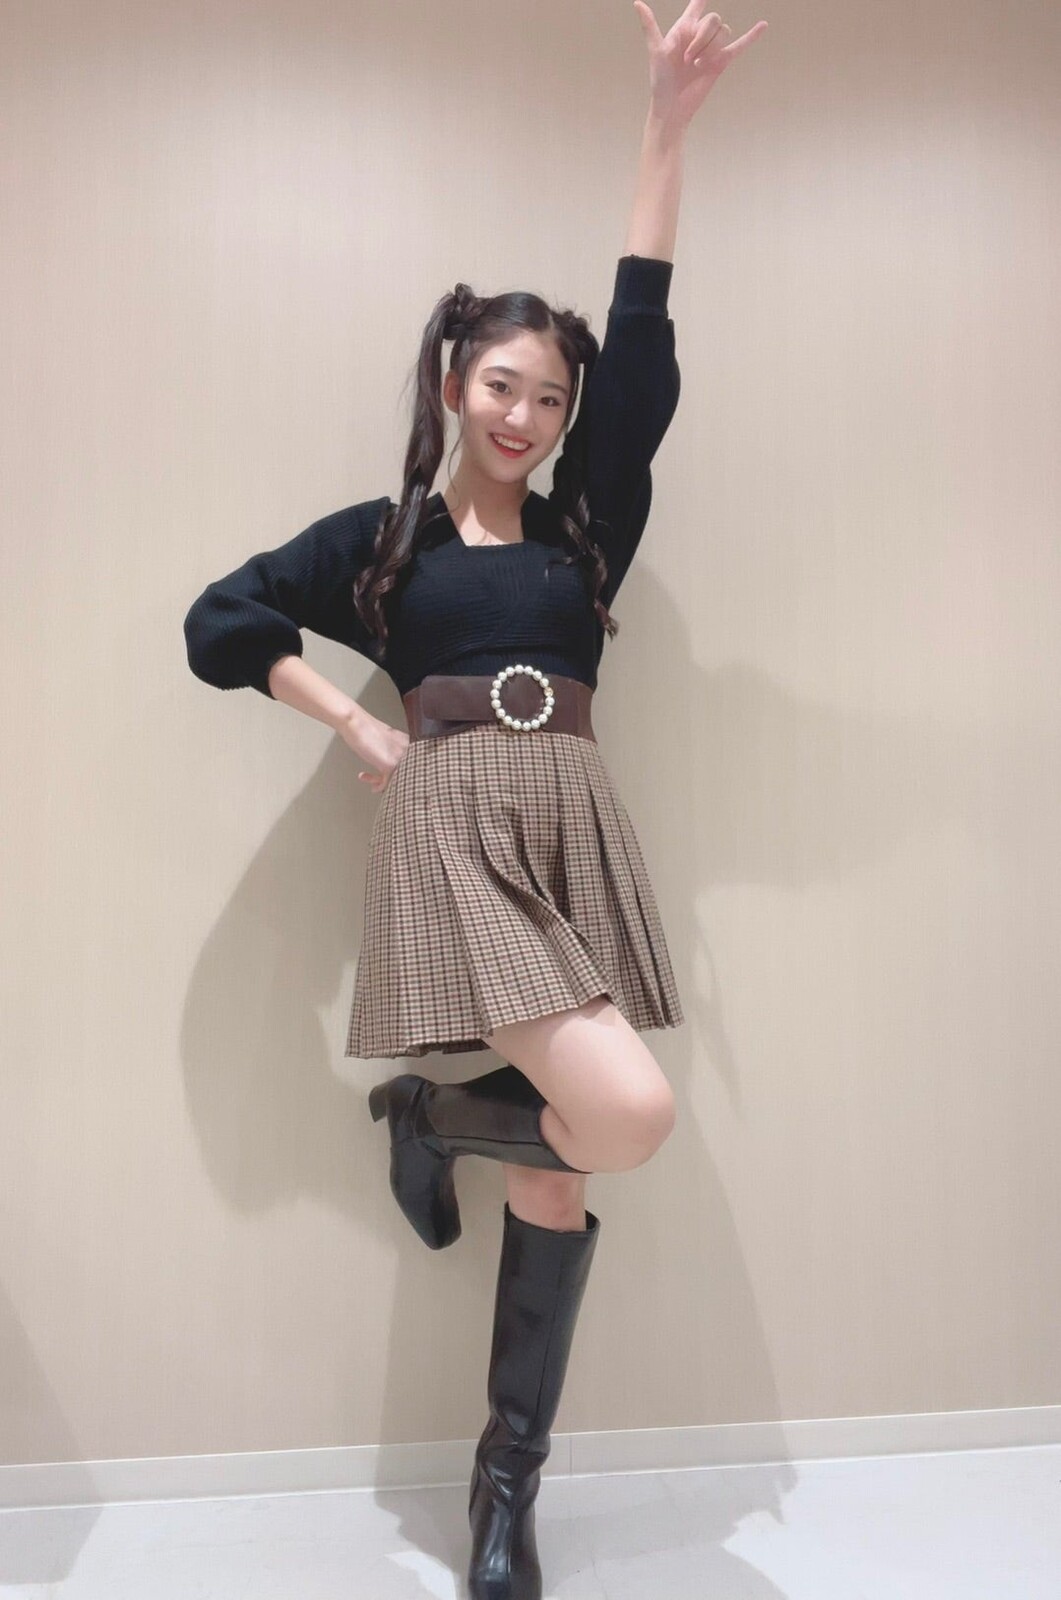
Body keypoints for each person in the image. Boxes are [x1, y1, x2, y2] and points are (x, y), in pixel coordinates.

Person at [183, 5, 767, 1595]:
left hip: (570, 825)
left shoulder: (585, 533)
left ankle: (505, 1496)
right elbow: (221, 620)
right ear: (454, 380)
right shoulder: (381, 547)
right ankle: (431, 1117)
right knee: (626, 1111)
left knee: (565, 1159)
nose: (524, 416)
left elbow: (643, 352)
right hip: (450, 836)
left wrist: (664, 127)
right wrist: (350, 724)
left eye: (547, 401)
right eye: (503, 385)